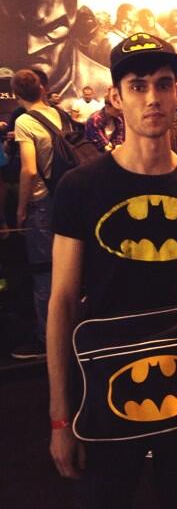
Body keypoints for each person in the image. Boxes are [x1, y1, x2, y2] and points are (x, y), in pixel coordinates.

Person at [46, 32, 177, 507]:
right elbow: (63, 301)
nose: (152, 97)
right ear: (116, 97)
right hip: (107, 380)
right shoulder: (81, 186)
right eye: (137, 86)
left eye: (163, 84)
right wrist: (60, 417)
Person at [10, 69, 60, 358]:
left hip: (41, 204)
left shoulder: (25, 121)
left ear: (17, 94)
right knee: (68, 271)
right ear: (43, 88)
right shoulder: (58, 115)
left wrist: (20, 208)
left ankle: (47, 341)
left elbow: (29, 170)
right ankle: (70, 331)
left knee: (44, 274)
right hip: (66, 200)